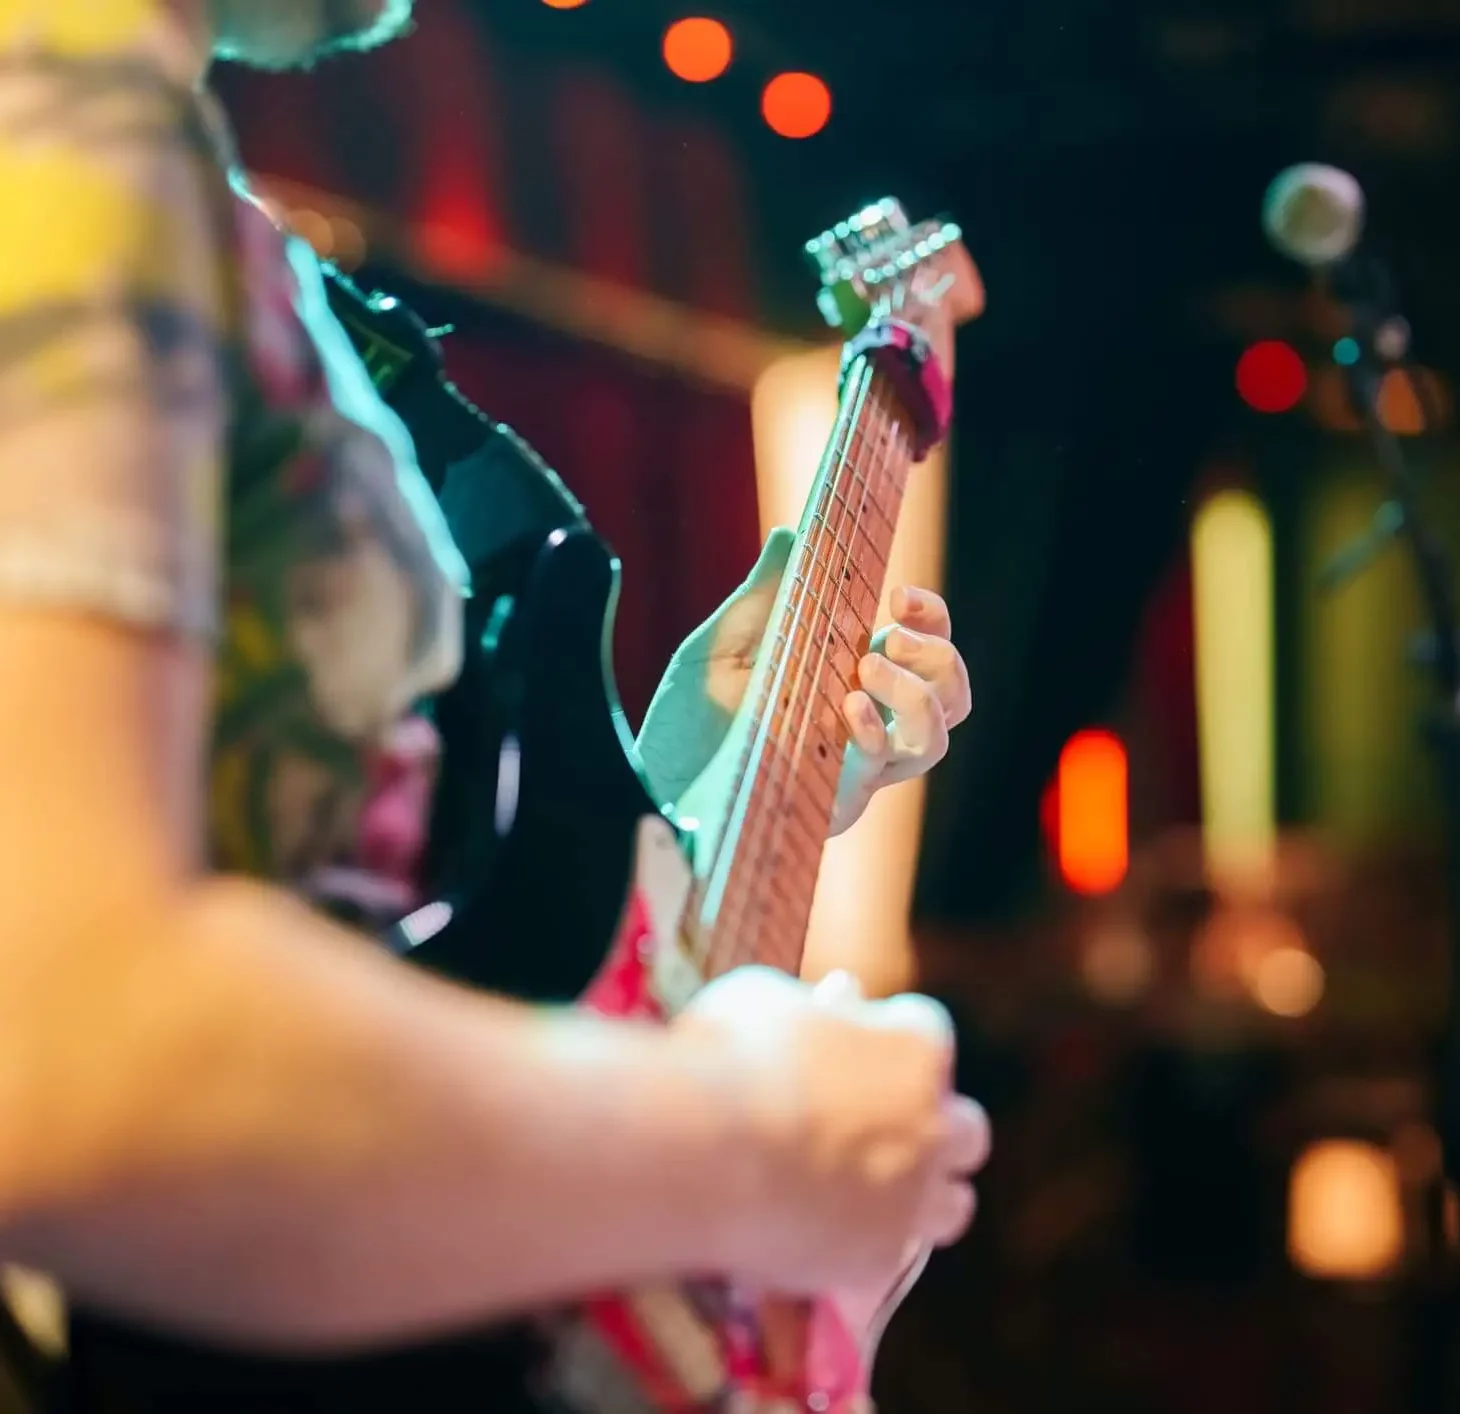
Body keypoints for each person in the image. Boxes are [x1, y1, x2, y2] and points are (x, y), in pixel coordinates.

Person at [0, 0, 985, 1373]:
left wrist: (684, 789)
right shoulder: (56, 135)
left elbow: (339, 933)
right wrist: (741, 1137)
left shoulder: (169, 189)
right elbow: (58, 1053)